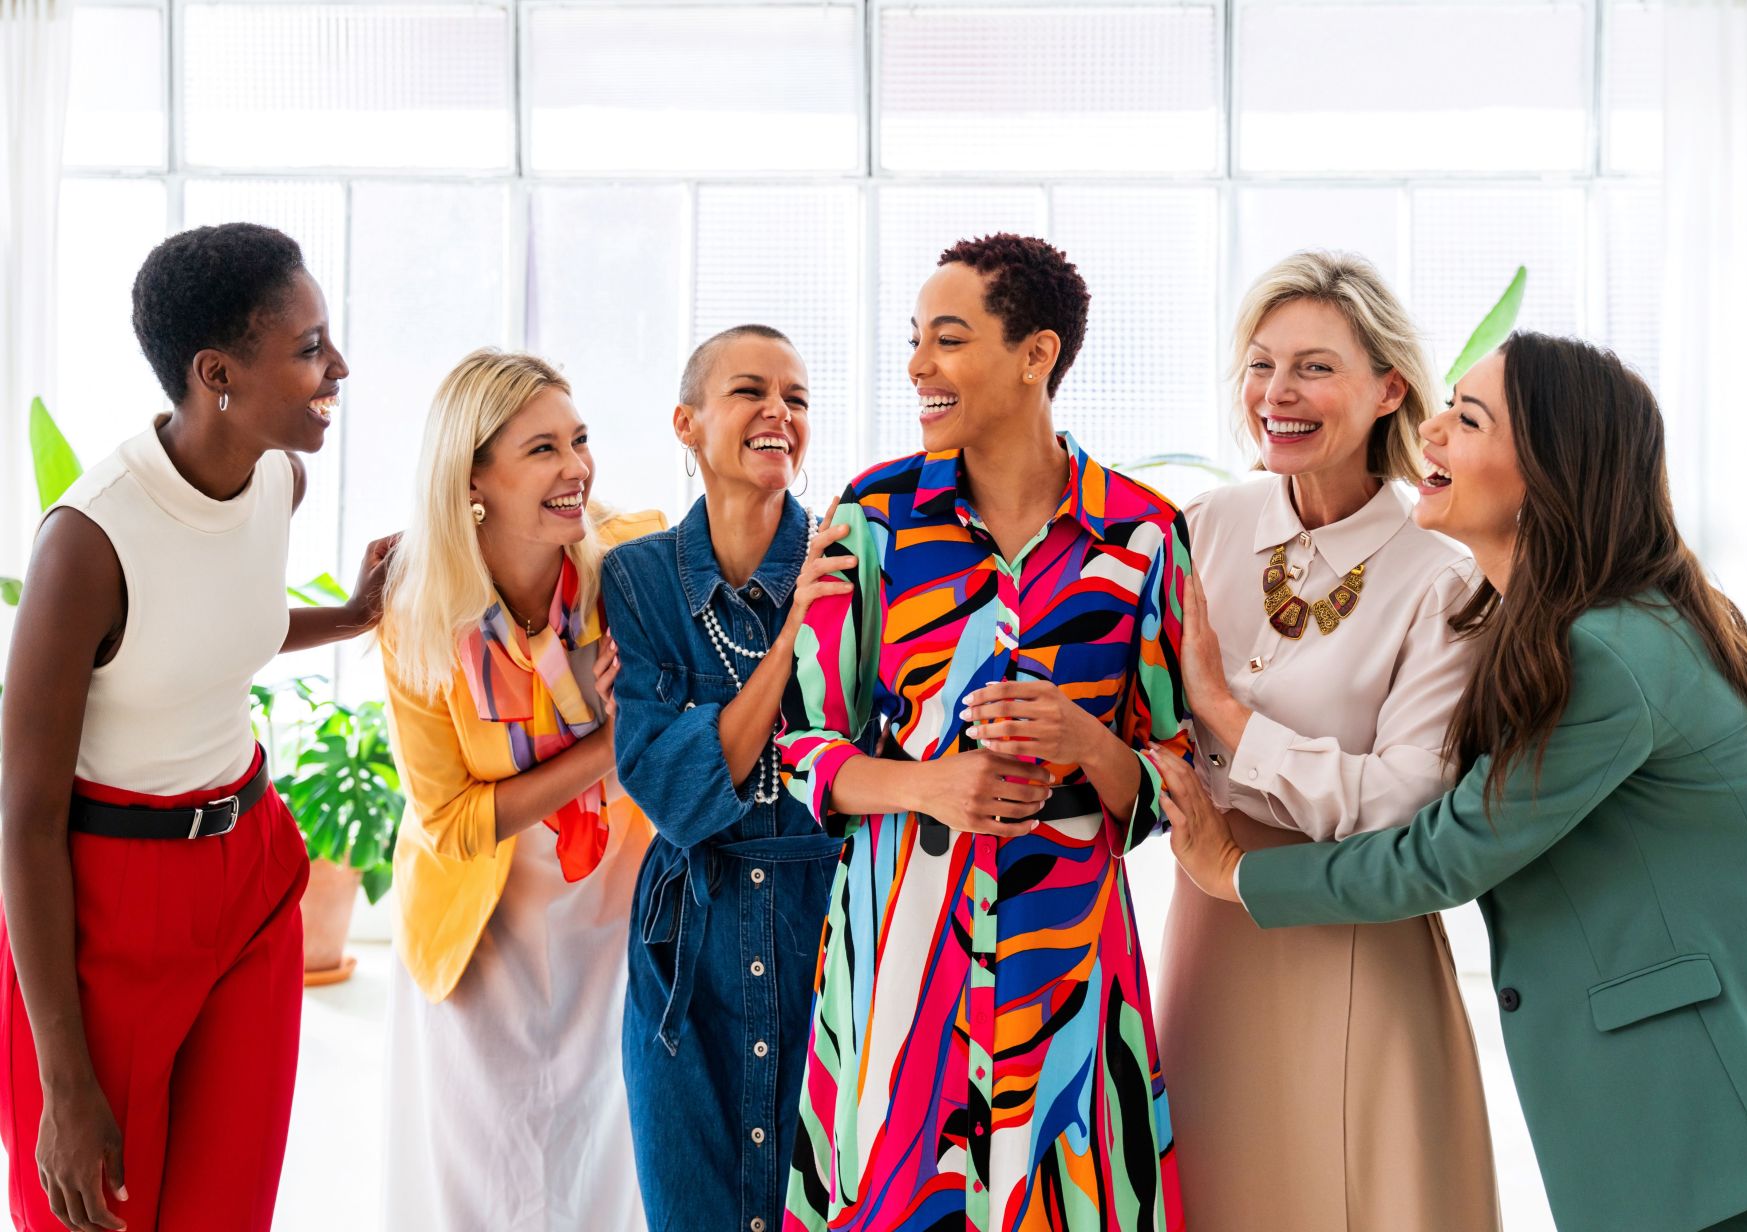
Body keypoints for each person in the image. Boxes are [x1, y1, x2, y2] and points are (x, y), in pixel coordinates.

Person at [1152, 332, 1747, 1232]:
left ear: (1548, 473)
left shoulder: (1608, 651)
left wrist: (1233, 871)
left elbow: (1448, 854)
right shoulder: (1552, 624)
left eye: (1467, 420)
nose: (1429, 430)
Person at [779, 235, 1190, 1231]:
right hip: (898, 959)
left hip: (1069, 963)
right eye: (915, 339)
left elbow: (1177, 773)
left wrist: (1088, 740)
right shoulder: (870, 520)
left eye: (948, 338)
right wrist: (927, 786)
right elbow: (796, 748)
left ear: (1035, 354)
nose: (918, 364)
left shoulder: (1141, 534)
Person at [0, 223, 394, 1232]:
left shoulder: (276, 477)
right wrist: (63, 1085)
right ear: (217, 373)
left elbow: (211, 629)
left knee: (229, 1210)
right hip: (108, 905)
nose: (336, 366)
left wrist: (347, 617)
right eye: (309, 347)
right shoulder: (88, 542)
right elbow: (26, 817)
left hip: (250, 876)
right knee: (100, 1211)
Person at [1154, 251, 1499, 1229]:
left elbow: (1405, 799)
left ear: (1389, 386)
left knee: (1362, 1189)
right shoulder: (1201, 529)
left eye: (1313, 366)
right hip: (1208, 920)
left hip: (1356, 926)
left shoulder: (1442, 578)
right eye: (1261, 364)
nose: (1278, 392)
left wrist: (1226, 713)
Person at [378, 348, 658, 1230]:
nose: (577, 468)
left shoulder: (636, 565)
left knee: (604, 1166)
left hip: (611, 907)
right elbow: (454, 824)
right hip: (483, 925)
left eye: (579, 440)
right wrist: (608, 743)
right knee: (485, 1166)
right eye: (542, 450)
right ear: (474, 478)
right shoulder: (418, 614)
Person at [601, 325, 850, 1232]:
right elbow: (674, 793)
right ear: (688, 423)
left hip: (828, 939)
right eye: (751, 391)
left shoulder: (853, 561)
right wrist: (790, 644)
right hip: (685, 960)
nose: (779, 411)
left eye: (797, 397)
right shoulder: (636, 579)